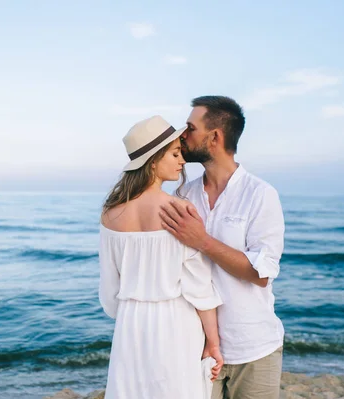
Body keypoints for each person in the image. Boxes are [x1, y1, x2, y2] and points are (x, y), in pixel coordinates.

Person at [159, 96, 286, 399]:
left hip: (253, 346)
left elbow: (262, 274)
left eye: (190, 128)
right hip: (196, 346)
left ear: (214, 137)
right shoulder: (184, 194)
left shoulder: (260, 194)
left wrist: (203, 241)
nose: (182, 135)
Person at [98, 115, 224, 399]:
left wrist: (133, 313)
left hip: (130, 324)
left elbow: (109, 290)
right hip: (175, 322)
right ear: (153, 161)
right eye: (176, 154)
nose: (182, 162)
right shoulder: (180, 210)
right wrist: (213, 343)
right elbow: (199, 286)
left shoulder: (109, 214)